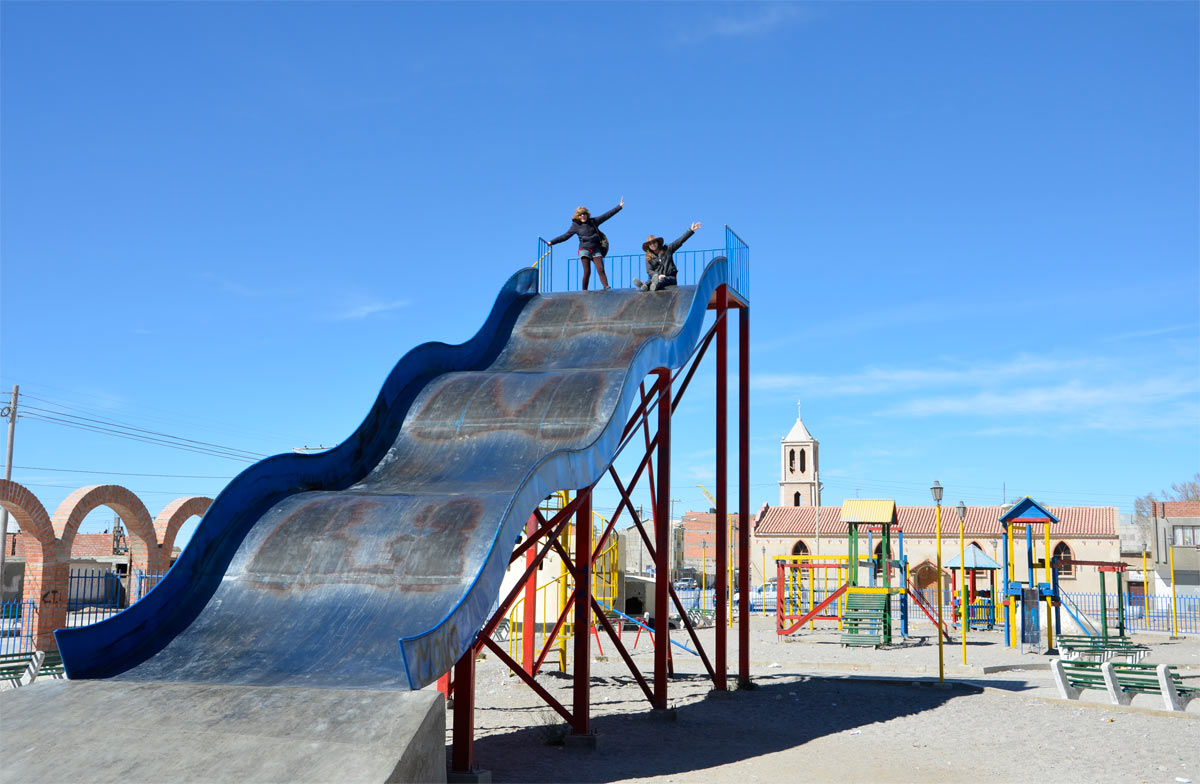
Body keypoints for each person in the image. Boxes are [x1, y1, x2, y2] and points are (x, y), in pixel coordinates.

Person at [545, 198, 624, 290]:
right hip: (584, 249)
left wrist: (619, 207)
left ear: (587, 214)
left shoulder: (593, 221)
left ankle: (606, 286)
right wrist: (552, 242)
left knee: (601, 269)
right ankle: (584, 291)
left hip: (595, 249)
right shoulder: (575, 226)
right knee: (587, 271)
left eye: (584, 214)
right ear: (577, 216)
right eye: (580, 214)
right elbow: (565, 236)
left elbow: (606, 215)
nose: (582, 216)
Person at [634, 222, 701, 291]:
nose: (652, 245)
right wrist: (658, 275)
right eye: (650, 244)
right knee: (650, 281)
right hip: (656, 278)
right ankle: (644, 285)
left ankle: (655, 285)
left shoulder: (667, 249)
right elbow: (649, 270)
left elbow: (679, 241)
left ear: (657, 243)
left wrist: (691, 230)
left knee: (662, 280)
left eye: (654, 242)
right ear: (649, 246)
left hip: (670, 278)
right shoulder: (648, 257)